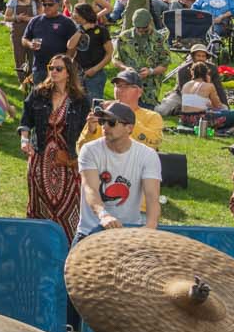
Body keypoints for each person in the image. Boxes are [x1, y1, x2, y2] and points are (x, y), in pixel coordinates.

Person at [20, 54, 91, 239]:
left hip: (66, 159)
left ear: (68, 73)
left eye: (59, 69)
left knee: (69, 206)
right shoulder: (38, 94)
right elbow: (26, 120)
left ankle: (68, 246)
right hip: (40, 157)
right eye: (51, 68)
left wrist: (91, 127)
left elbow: (86, 132)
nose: (54, 72)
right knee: (38, 205)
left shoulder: (80, 99)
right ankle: (38, 246)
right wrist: (24, 139)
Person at [76, 102, 162, 238]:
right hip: (91, 229)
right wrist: (103, 215)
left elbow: (152, 196)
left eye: (111, 122)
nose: (104, 126)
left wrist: (150, 227)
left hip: (129, 230)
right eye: (102, 121)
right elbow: (90, 189)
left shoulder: (148, 155)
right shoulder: (89, 150)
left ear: (129, 128)